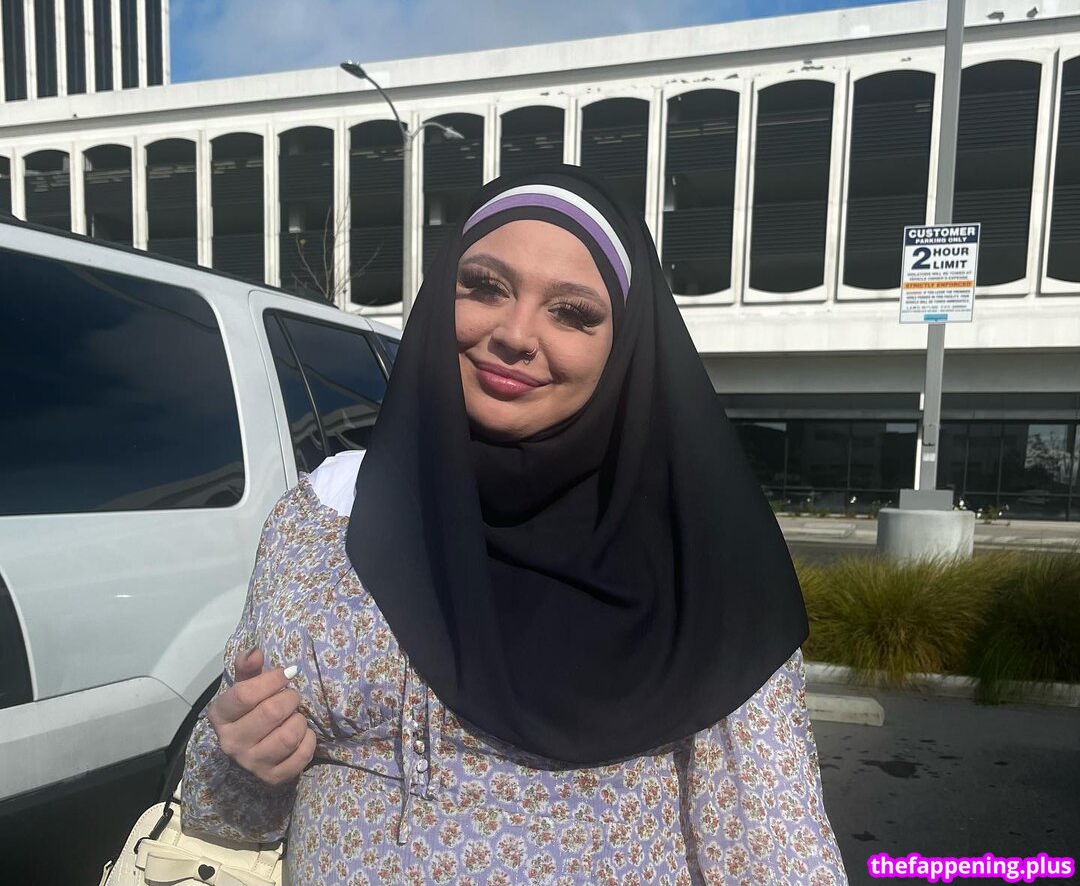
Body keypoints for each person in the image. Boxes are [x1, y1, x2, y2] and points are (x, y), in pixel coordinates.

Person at [182, 166, 849, 885]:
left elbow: (775, 852)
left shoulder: (698, 558)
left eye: (573, 313)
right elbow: (228, 815)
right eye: (485, 286)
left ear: (626, 346)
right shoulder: (321, 514)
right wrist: (242, 757)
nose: (515, 334)